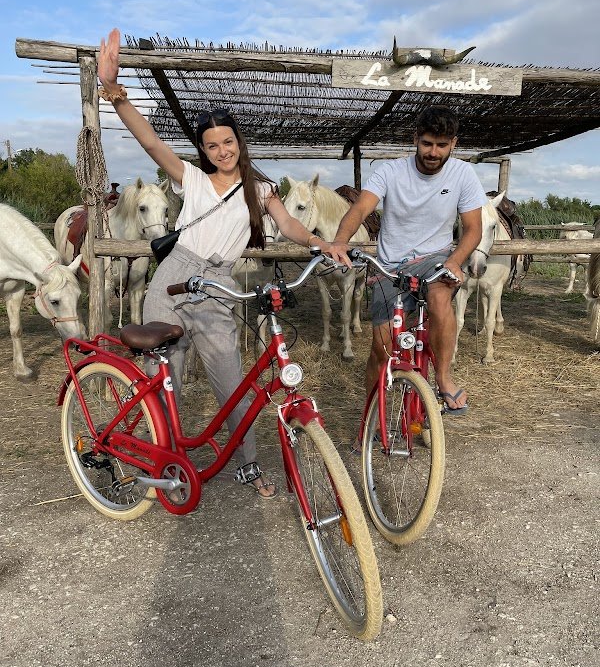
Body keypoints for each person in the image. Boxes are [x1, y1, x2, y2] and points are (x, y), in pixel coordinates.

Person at [98, 28, 334, 498]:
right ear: (204, 151)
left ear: (238, 143)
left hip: (218, 283)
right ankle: (160, 461)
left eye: (228, 142)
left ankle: (247, 465)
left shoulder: (261, 190)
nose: (222, 151)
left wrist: (316, 241)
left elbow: (287, 224)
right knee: (167, 379)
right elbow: (151, 144)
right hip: (174, 275)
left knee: (231, 379)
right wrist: (116, 94)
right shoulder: (193, 180)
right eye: (212, 146)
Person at [329, 104, 488, 420]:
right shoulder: (390, 171)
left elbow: (473, 229)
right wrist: (340, 241)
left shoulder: (463, 174)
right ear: (415, 139)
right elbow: (361, 209)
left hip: (435, 258)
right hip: (390, 266)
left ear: (453, 144)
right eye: (427, 143)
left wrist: (456, 261)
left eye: (442, 145)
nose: (433, 151)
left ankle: (442, 376)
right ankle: (371, 412)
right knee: (381, 347)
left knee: (441, 294)